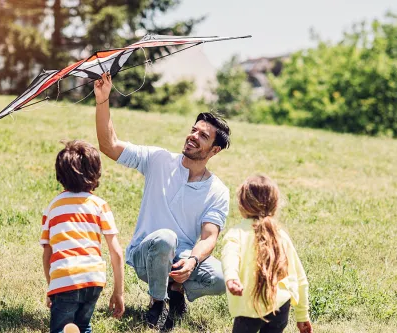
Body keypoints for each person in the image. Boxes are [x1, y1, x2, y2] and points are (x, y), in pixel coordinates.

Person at [93, 72, 230, 330]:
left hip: (181, 258)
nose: (193, 136)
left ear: (214, 150)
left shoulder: (218, 190)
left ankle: (176, 289)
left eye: (203, 136)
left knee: (221, 277)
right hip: (146, 254)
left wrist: (191, 262)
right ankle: (158, 301)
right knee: (166, 237)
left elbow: (209, 237)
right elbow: (108, 145)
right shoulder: (158, 160)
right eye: (194, 130)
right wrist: (103, 100)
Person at [40, 140, 125, 333]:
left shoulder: (53, 208)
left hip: (65, 278)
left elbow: (47, 254)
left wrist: (52, 288)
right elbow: (116, 253)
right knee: (83, 326)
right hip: (93, 279)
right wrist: (118, 292)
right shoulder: (99, 205)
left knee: (61, 329)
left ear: (60, 174)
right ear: (95, 172)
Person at [221, 175, 313, 333]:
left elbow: (230, 256)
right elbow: (300, 279)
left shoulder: (236, 233)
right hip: (280, 305)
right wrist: (302, 315)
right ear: (275, 205)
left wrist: (232, 277)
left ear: (242, 205)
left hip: (248, 307)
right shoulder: (280, 235)